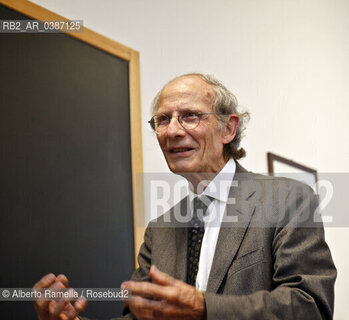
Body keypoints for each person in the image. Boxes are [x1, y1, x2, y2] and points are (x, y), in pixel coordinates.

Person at [33, 73, 336, 320]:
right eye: (163, 120)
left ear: (228, 128)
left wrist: (205, 309)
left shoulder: (288, 199)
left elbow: (310, 306)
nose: (172, 131)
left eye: (190, 116)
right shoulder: (160, 229)